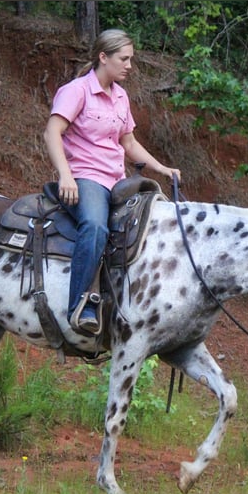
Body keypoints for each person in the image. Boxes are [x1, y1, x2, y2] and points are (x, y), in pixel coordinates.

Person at [43, 29, 181, 335]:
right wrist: (66, 175)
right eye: (124, 58)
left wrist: (162, 168)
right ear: (103, 57)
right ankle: (80, 304)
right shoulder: (76, 91)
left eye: (130, 59)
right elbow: (52, 132)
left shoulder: (121, 96)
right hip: (86, 177)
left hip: (117, 178)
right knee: (95, 226)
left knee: (153, 220)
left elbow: (128, 143)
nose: (129, 65)